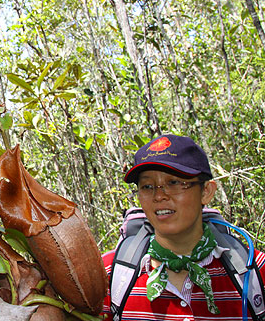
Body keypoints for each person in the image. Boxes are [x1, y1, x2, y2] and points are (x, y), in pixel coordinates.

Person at [100, 134, 265, 320]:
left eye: (174, 182)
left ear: (206, 192)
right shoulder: (108, 274)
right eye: (147, 186)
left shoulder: (253, 269)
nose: (159, 196)